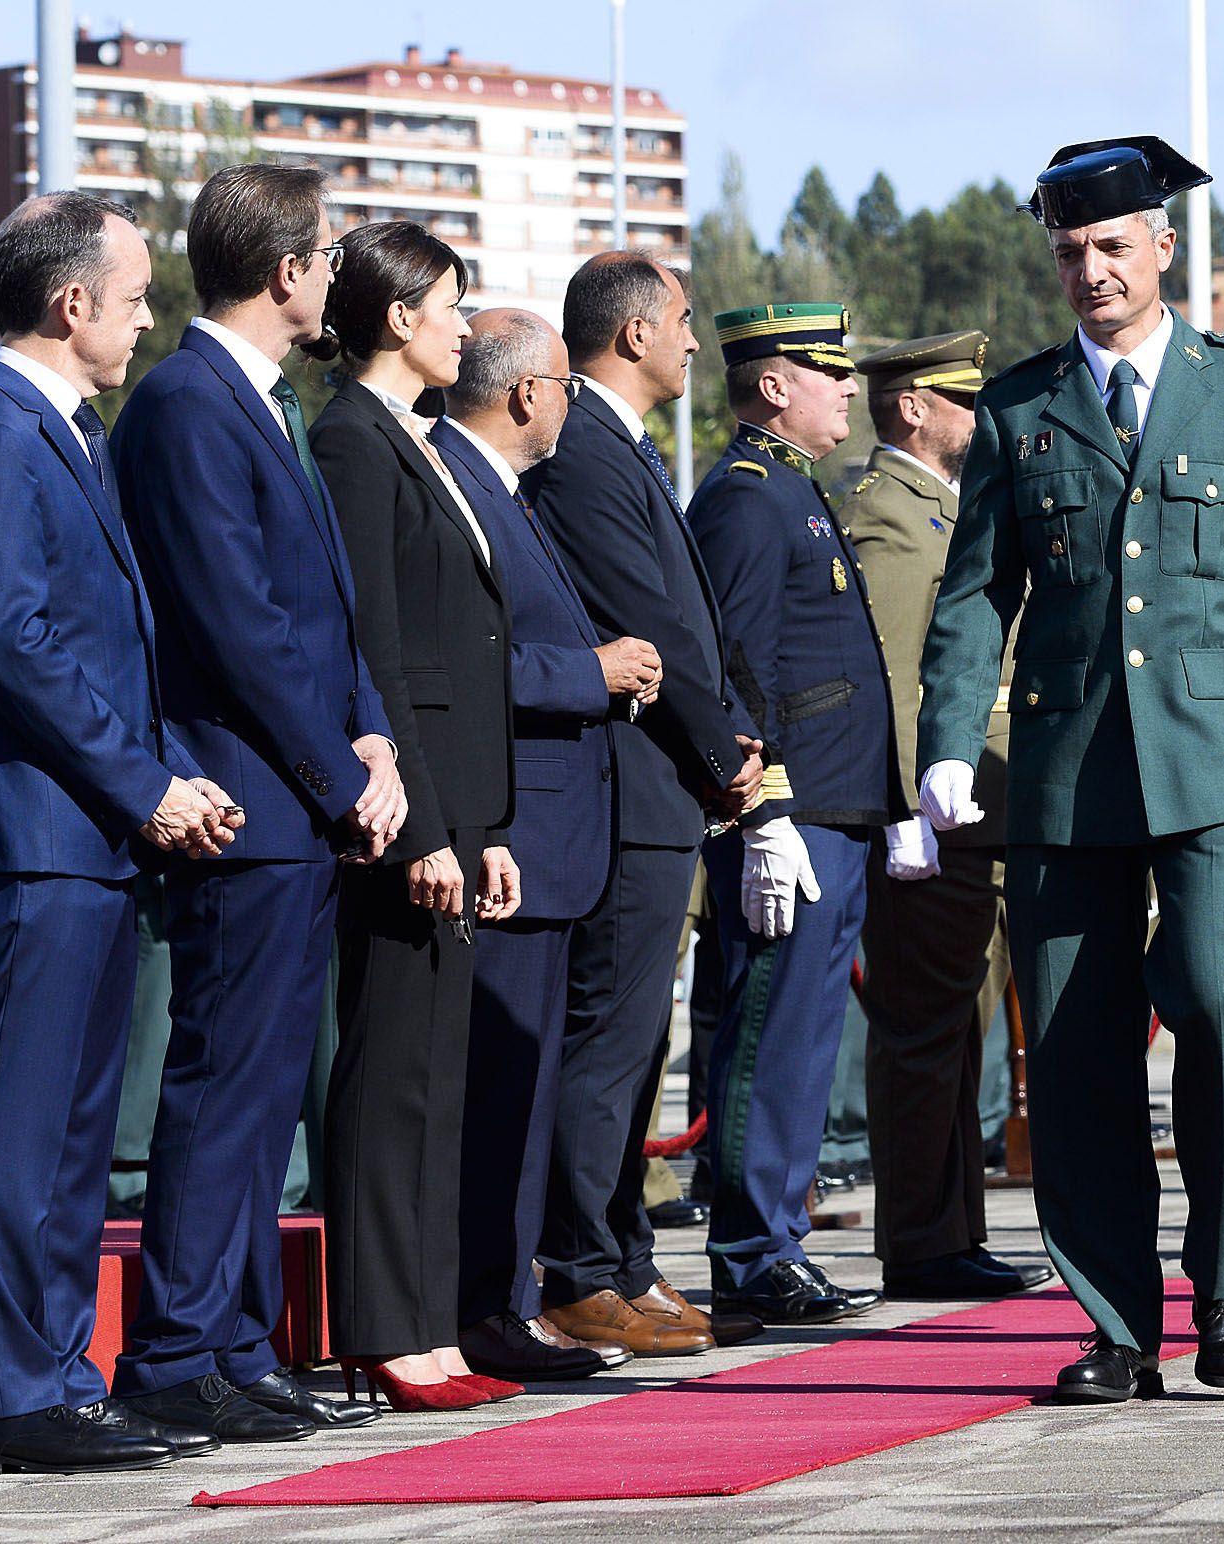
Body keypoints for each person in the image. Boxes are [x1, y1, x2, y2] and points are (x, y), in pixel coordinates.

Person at [918, 138, 1224, 1403]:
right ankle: (1117, 1322)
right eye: (1068, 251)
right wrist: (947, 745)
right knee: (1071, 1042)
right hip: (1070, 763)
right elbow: (974, 596)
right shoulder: (1019, 407)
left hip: (1219, 752)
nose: (1088, 271)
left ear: (1161, 251)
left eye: (1110, 247)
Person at [0, 190, 243, 1475]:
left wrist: (164, 774)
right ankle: (7, 1392)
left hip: (91, 833)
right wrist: (144, 780)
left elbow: (110, 645)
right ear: (70, 304)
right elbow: (17, 641)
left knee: (64, 1137)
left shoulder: (70, 433)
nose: (147, 317)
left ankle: (54, 1375)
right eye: (134, 297)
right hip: (34, 832)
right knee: (15, 1128)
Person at [111, 164, 399, 1440]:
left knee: (266, 1088)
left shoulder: (262, 398)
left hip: (300, 797)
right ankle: (176, 1348)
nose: (335, 277)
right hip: (248, 798)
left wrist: (374, 734)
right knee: (224, 1082)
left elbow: (323, 610)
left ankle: (232, 1338)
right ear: (286, 273)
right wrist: (338, 777)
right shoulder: (183, 404)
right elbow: (238, 624)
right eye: (328, 256)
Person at [523, 252, 761, 1358]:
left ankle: (619, 1250)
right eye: (678, 321)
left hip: (661, 784)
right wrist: (720, 753)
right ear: (629, 335)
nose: (692, 343)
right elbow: (639, 616)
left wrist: (729, 737)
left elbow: (679, 614)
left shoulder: (615, 443)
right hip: (629, 783)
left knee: (637, 1037)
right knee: (609, 1040)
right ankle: (577, 1268)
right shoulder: (577, 446)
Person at [300, 216, 518, 1411]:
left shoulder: (414, 438)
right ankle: (382, 1326)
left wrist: (484, 828)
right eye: (449, 302)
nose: (465, 324)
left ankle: (427, 1323)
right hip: (402, 810)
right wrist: (428, 826)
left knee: (437, 1075)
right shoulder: (350, 442)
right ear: (397, 316)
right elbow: (376, 644)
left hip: (455, 805)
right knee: (391, 1075)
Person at [431, 307, 647, 1382]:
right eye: (562, 382)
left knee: (521, 1081)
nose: (567, 400)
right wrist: (590, 672)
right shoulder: (452, 482)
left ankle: (505, 1296)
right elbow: (458, 664)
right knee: (500, 1087)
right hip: (512, 832)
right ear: (525, 393)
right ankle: (488, 1302)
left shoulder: (501, 492)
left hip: (552, 837)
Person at [686, 302, 901, 1324]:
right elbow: (734, 665)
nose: (850, 387)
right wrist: (759, 807)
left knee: (806, 1036)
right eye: (830, 370)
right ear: (773, 384)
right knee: (766, 1030)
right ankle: (748, 1249)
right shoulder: (744, 498)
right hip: (792, 808)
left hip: (836, 804)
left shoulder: (795, 492)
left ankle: (777, 1236)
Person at [839, 329, 1053, 1300]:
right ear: (913, 408)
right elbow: (889, 678)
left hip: (994, 806)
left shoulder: (949, 508)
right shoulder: (888, 514)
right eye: (963, 400)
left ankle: (952, 1228)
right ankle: (923, 1239)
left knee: (965, 1034)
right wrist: (904, 806)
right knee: (926, 1029)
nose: (982, 418)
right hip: (939, 812)